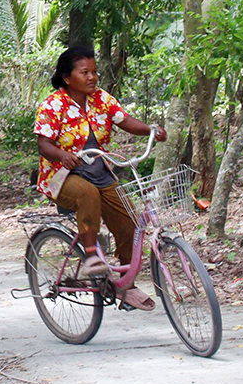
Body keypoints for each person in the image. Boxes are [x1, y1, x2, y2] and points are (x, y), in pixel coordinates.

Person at [33, 44, 167, 311]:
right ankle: (92, 257)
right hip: (64, 176)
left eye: (94, 72)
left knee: (129, 221)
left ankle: (124, 283)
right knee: (87, 194)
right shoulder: (52, 105)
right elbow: (43, 144)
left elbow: (125, 121)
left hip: (99, 171)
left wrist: (150, 129)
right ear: (67, 78)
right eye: (85, 73)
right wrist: (62, 154)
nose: (92, 77)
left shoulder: (102, 99)